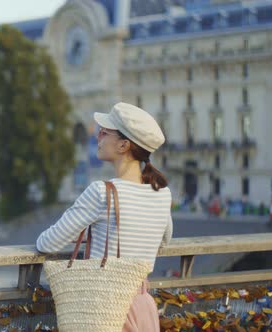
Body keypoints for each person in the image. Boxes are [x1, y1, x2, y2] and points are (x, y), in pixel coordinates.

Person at [36, 102, 172, 332]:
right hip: (143, 305)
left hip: (106, 308)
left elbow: (46, 243)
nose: (97, 134)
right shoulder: (162, 193)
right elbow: (163, 241)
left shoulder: (101, 192)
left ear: (123, 145)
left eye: (105, 131)